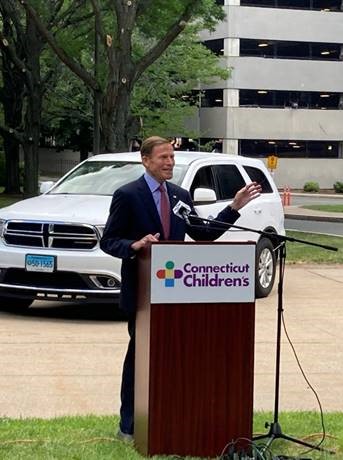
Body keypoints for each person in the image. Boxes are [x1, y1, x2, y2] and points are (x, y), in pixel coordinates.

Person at [100, 136, 261, 441]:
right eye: (163, 157)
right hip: (144, 294)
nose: (169, 162)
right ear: (145, 160)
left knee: (174, 359)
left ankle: (169, 418)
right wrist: (135, 245)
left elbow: (203, 234)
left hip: (177, 295)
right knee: (140, 359)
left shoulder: (179, 195)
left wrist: (234, 207)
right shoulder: (127, 195)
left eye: (172, 157)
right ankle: (129, 425)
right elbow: (109, 240)